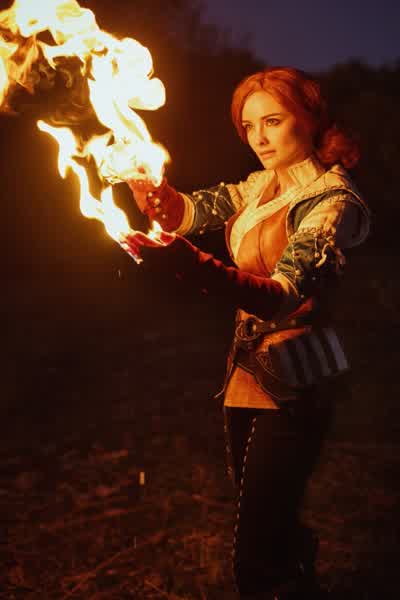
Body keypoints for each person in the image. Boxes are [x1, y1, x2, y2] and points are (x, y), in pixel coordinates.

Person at [121, 66, 371, 599]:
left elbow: (283, 295)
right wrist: (156, 194)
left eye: (272, 121)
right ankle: (300, 575)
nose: (258, 137)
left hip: (301, 378)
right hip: (248, 374)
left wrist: (190, 264)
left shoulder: (332, 201)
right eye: (248, 125)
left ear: (310, 119)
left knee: (255, 550)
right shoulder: (260, 185)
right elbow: (191, 212)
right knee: (266, 514)